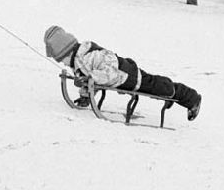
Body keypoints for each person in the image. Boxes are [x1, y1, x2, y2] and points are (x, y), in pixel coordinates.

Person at [43, 25, 202, 121]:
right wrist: (86, 94)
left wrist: (90, 77)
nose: (62, 63)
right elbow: (92, 82)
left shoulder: (90, 56)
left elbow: (109, 71)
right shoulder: (77, 62)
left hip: (129, 76)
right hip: (121, 79)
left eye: (61, 59)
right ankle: (175, 95)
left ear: (67, 53)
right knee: (156, 86)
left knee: (161, 87)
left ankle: (192, 98)